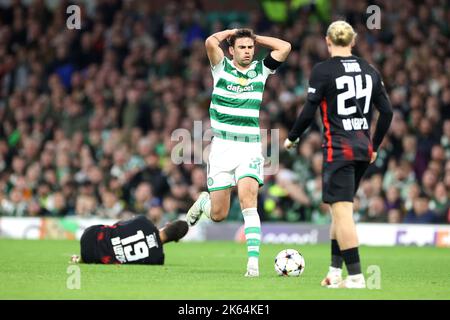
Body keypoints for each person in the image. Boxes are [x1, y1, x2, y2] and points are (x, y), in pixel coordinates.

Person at [284, 21, 393, 288]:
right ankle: (335, 272)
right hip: (361, 149)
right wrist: (375, 146)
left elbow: (309, 110)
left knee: (343, 211)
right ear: (353, 41)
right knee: (338, 209)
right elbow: (387, 112)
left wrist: (293, 137)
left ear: (328, 41)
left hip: (339, 149)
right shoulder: (370, 70)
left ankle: (356, 277)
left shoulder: (323, 71)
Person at [186, 28, 291, 277]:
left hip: (249, 147)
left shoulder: (261, 70)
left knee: (248, 201)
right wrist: (232, 32)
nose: (247, 51)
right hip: (221, 148)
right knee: (219, 214)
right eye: (241, 47)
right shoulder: (221, 68)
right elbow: (210, 41)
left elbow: (284, 47)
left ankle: (253, 265)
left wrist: (256, 38)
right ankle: (204, 202)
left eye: (250, 48)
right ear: (231, 50)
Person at [74, 214, 188, 264]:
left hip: (89, 237)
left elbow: (118, 224)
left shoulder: (144, 222)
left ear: (168, 224)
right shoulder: (158, 259)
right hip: (94, 258)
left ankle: (80, 258)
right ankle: (81, 259)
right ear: (176, 240)